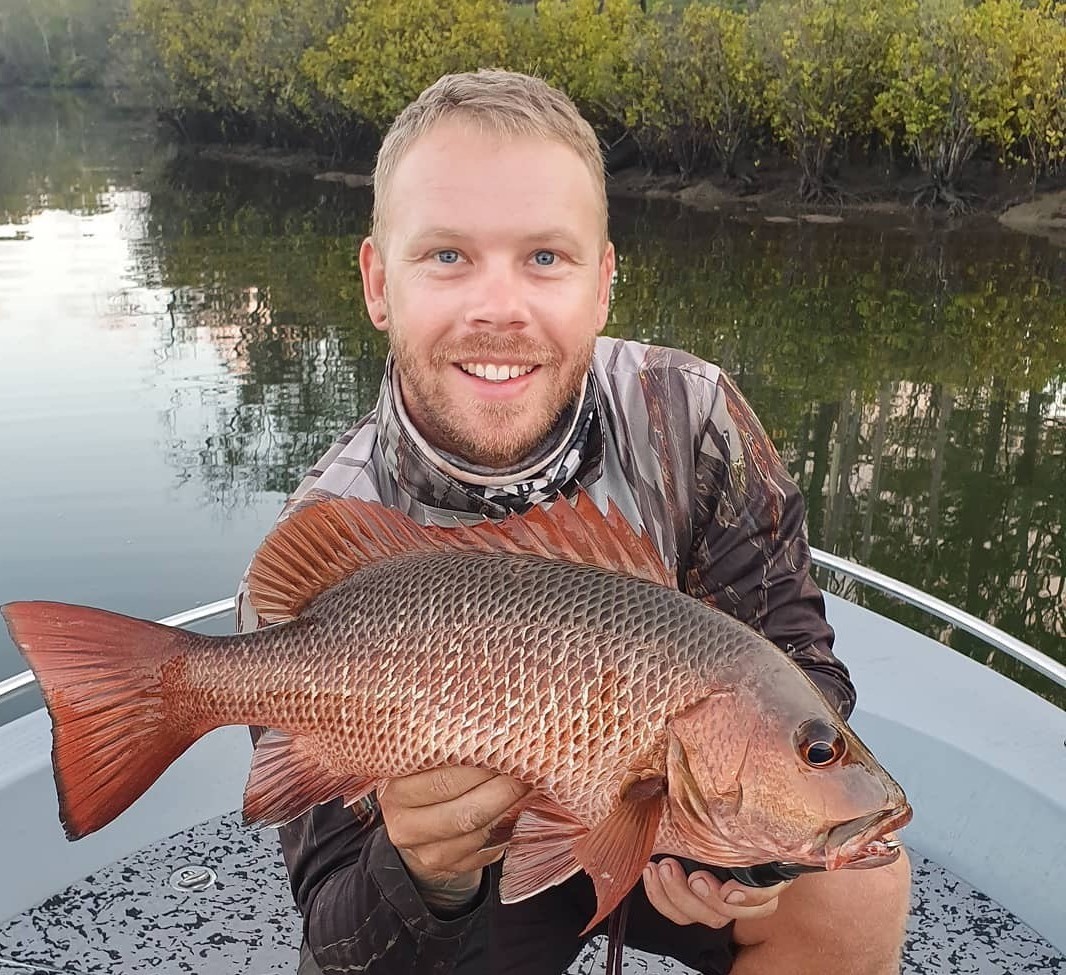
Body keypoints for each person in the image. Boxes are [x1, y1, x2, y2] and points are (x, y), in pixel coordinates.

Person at [235, 69, 910, 975]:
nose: (498, 307)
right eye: (446, 256)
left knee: (857, 877)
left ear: (603, 282)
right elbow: (335, 920)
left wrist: (757, 851)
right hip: (476, 889)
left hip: (665, 822)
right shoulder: (330, 535)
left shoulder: (692, 413)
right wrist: (423, 871)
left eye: (545, 257)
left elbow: (797, 663)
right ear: (377, 282)